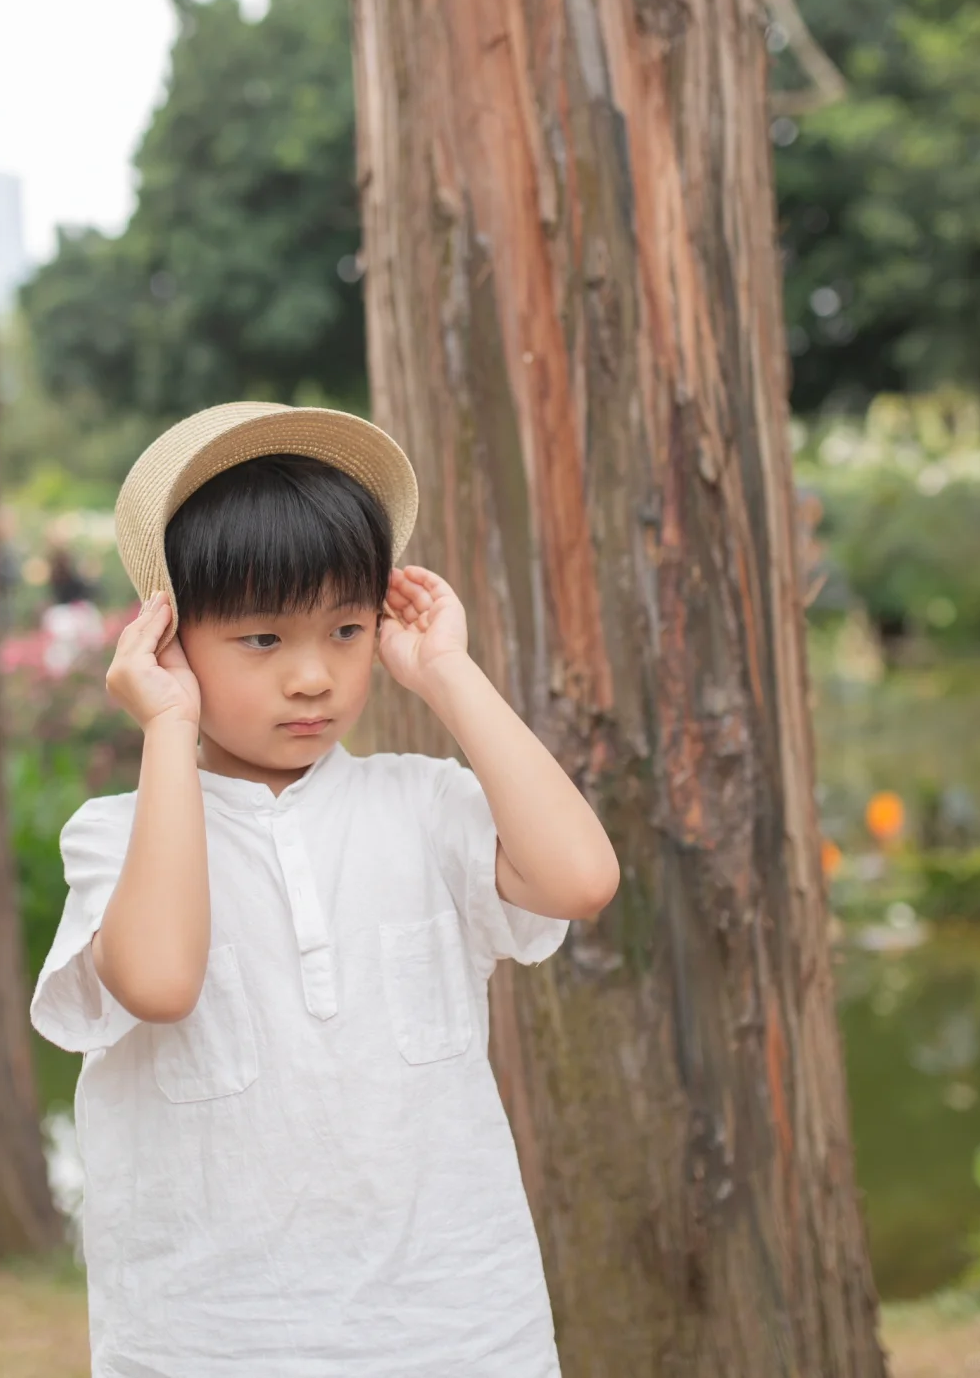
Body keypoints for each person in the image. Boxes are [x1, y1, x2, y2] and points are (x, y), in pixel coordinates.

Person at [30, 401, 619, 1378]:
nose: (315, 677)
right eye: (263, 640)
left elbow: (580, 877)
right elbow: (161, 980)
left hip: (459, 1329)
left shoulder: (423, 805)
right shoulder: (119, 838)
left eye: (346, 629)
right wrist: (168, 727)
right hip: (211, 1341)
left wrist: (448, 673)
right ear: (167, 638)